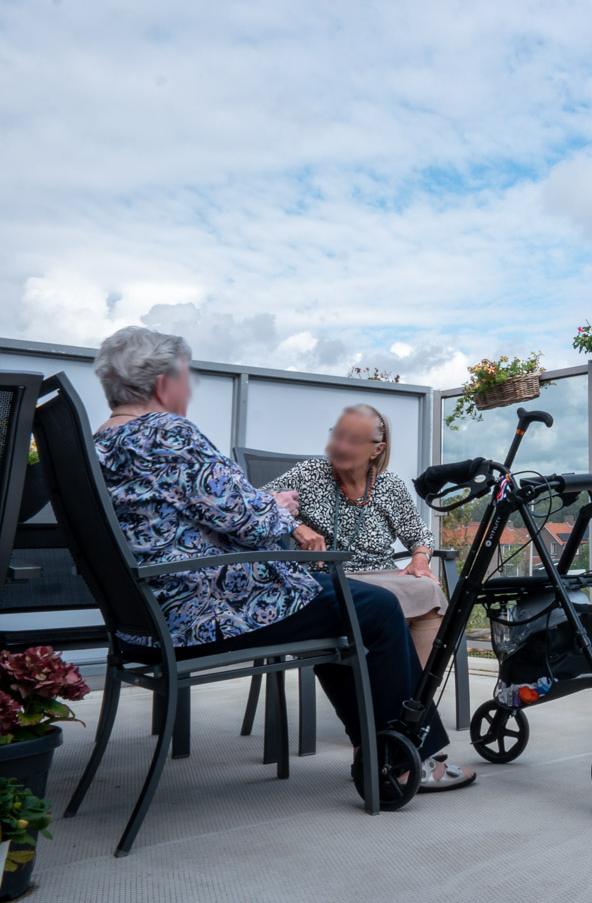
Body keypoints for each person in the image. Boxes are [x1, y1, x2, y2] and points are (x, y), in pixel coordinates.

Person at [90, 326, 473, 792]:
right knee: (370, 608)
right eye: (185, 376)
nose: (188, 388)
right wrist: (282, 510)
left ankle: (379, 748)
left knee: (343, 604)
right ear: (162, 382)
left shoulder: (99, 444)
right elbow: (250, 519)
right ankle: (411, 757)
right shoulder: (166, 434)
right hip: (208, 613)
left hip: (151, 616)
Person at [262, 405, 448, 669]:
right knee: (376, 609)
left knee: (428, 591)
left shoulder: (390, 485)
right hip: (326, 575)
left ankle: (415, 699)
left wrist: (420, 559)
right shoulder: (310, 473)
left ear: (377, 450)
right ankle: (380, 691)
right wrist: (294, 526)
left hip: (381, 574)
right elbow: (257, 501)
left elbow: (419, 534)